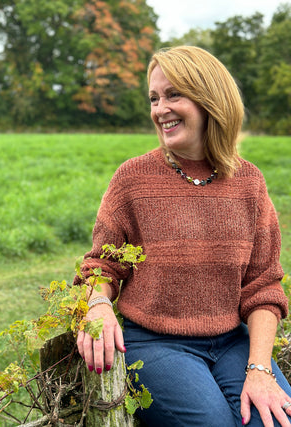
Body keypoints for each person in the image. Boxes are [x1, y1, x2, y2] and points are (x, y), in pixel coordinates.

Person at [75, 45, 291, 427]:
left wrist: (260, 369)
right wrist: (99, 305)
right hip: (157, 343)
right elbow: (102, 265)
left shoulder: (249, 182)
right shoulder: (133, 179)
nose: (160, 109)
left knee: (275, 419)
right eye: (154, 98)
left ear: (211, 99)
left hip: (231, 342)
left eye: (174, 95)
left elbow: (263, 286)